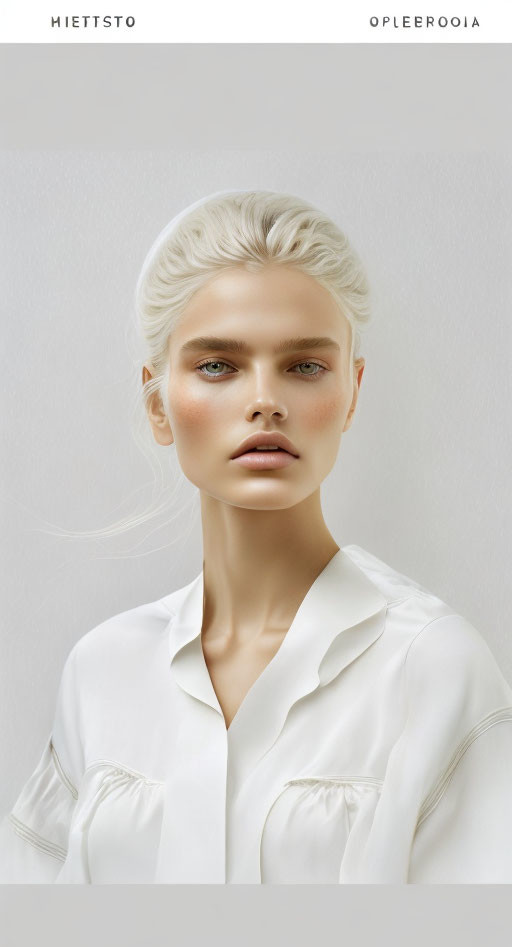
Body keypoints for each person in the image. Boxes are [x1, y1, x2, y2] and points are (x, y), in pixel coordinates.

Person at [1, 188, 511, 884]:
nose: (265, 399)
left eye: (305, 366)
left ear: (353, 393)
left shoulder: (433, 670)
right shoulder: (102, 673)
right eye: (218, 365)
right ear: (158, 405)